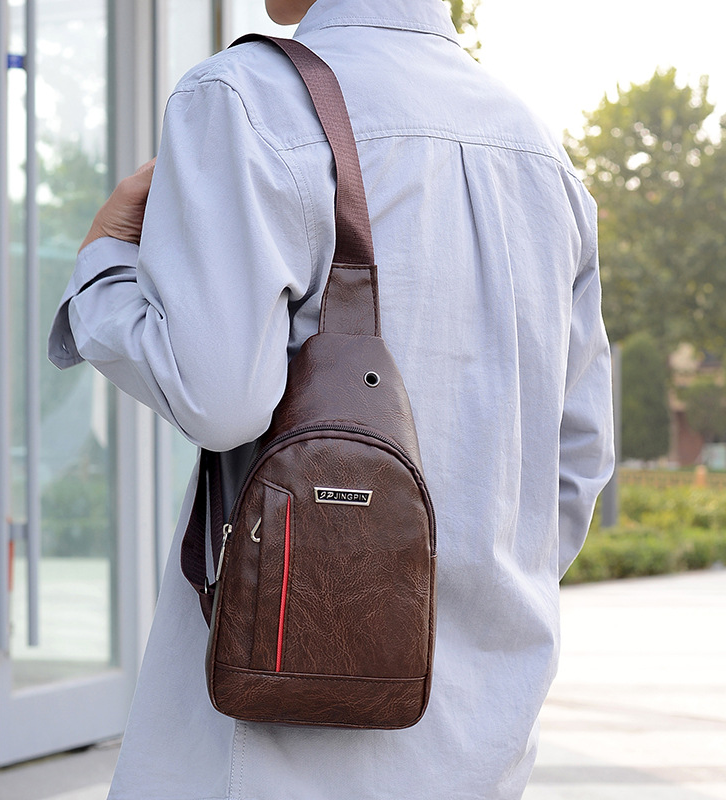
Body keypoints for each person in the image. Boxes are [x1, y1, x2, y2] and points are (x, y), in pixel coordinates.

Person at [48, 0, 615, 797]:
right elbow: (579, 461)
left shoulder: (246, 98)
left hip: (279, 737)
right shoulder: (540, 153)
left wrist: (105, 272)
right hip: (482, 739)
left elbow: (219, 398)